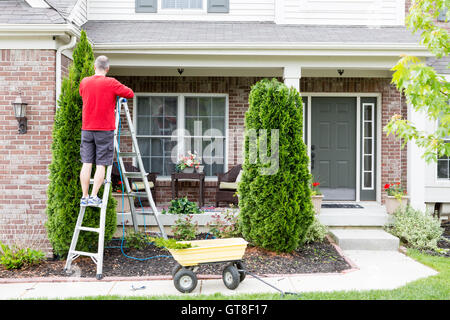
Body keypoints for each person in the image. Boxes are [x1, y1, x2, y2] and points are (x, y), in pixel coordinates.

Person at [79, 55, 134, 207]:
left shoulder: (84, 82)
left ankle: (84, 196)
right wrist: (114, 95)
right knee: (101, 164)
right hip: (104, 130)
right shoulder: (111, 82)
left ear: (94, 67)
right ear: (107, 68)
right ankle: (94, 196)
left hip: (87, 129)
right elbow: (130, 93)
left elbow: (83, 95)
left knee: (87, 163)